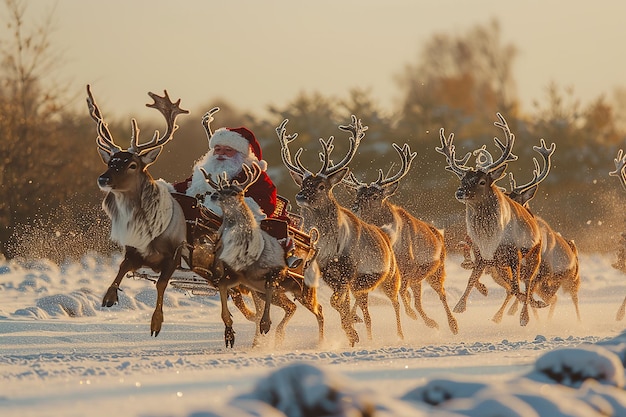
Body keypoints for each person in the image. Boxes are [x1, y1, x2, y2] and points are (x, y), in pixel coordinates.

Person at [173, 122, 301, 268]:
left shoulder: (254, 176)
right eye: (217, 149)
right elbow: (181, 188)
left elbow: (266, 203)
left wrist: (232, 203)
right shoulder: (204, 172)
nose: (221, 154)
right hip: (201, 218)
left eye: (228, 150)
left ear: (241, 154)